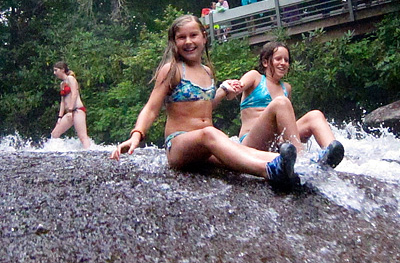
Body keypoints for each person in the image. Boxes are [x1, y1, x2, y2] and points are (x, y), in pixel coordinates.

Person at [110, 15, 298, 187]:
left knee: (241, 151)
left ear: (204, 37)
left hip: (205, 146)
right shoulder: (172, 70)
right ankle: (269, 171)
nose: (188, 41)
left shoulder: (207, 72)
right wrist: (137, 134)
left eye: (193, 35)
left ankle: (292, 166)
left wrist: (224, 90)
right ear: (174, 42)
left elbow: (205, 108)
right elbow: (151, 108)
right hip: (179, 145)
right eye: (181, 37)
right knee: (211, 133)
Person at [233, 41, 344, 169]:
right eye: (278, 59)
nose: (283, 63)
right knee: (281, 102)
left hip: (275, 142)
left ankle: (332, 152)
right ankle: (301, 159)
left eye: (286, 60)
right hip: (251, 142)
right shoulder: (255, 77)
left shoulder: (286, 88)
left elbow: (287, 125)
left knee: (315, 115)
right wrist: (231, 87)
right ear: (265, 62)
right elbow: (238, 87)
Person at [51, 61, 91, 148]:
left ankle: (90, 153)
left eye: (56, 70)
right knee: (54, 134)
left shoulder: (71, 79)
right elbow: (62, 101)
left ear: (62, 70)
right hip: (69, 112)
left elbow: (74, 94)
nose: (54, 73)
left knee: (82, 136)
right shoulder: (62, 84)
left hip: (77, 110)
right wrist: (60, 117)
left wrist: (70, 109)